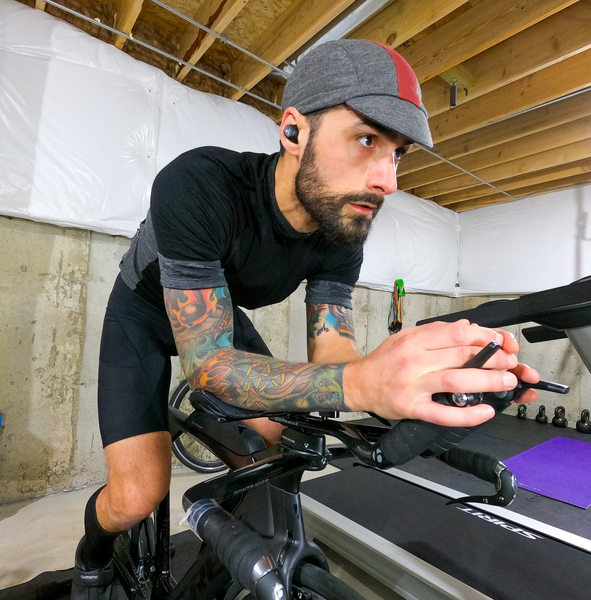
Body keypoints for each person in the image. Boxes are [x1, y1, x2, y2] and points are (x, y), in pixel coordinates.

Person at [72, 39, 539, 599]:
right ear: (293, 132)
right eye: (367, 140)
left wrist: (412, 385)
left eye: (397, 154)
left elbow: (333, 356)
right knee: (137, 496)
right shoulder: (199, 183)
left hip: (221, 312)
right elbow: (211, 365)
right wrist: (362, 382)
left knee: (276, 446)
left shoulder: (341, 228)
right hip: (143, 314)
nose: (388, 180)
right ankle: (91, 552)